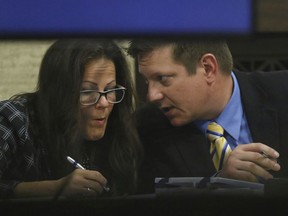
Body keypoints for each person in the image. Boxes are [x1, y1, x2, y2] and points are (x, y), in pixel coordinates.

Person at [127, 38, 288, 193]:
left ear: (208, 68)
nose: (152, 95)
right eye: (147, 81)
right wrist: (219, 183)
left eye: (162, 78)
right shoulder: (146, 126)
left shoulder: (282, 92)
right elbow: (156, 206)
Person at [0, 38, 143, 199]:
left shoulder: (119, 131)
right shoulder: (12, 120)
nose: (104, 103)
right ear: (59, 93)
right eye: (88, 91)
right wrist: (54, 189)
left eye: (109, 89)